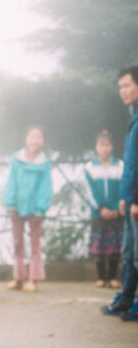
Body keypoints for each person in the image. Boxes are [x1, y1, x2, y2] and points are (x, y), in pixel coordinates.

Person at [102, 66, 138, 321]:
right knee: (129, 253)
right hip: (130, 198)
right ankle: (126, 299)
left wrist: (135, 198)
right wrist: (125, 197)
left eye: (127, 85)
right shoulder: (133, 116)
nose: (123, 91)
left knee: (137, 255)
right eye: (120, 87)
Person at [3, 126, 53, 293]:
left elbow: (46, 187)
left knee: (35, 244)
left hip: (35, 209)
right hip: (17, 207)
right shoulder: (16, 159)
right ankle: (18, 277)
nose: (35, 140)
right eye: (32, 137)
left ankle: (33, 279)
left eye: (38, 137)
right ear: (26, 139)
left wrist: (40, 208)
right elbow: (11, 181)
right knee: (17, 243)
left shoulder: (44, 162)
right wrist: (10, 203)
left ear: (43, 141)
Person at [84, 130, 123, 288]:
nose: (104, 148)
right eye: (101, 145)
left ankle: (113, 277)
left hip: (116, 214)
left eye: (107, 145)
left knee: (115, 245)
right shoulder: (89, 167)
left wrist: (116, 208)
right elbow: (89, 191)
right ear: (96, 147)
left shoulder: (120, 166)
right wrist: (100, 208)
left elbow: (123, 189)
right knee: (99, 246)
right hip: (98, 214)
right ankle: (101, 277)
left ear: (112, 146)